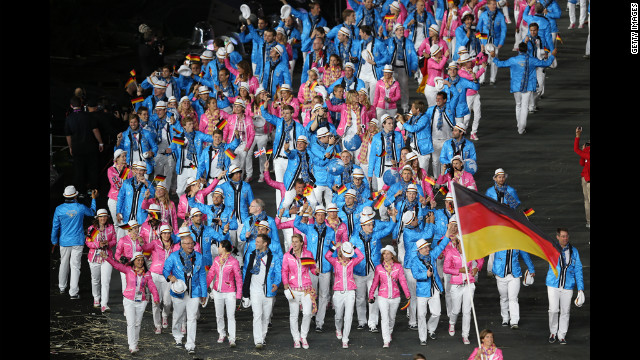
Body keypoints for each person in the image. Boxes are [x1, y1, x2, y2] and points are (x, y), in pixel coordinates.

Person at [490, 42, 556, 134]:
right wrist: (552, 55)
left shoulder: (513, 60)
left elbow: (500, 64)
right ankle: (521, 128)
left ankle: (519, 125)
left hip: (516, 86)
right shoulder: (532, 60)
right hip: (528, 86)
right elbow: (546, 63)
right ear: (527, 50)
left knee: (518, 105)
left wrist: (493, 57)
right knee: (524, 106)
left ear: (518, 50)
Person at [163, 229, 208, 355]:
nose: (190, 246)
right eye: (187, 244)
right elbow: (165, 269)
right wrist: (170, 277)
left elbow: (203, 276)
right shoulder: (173, 256)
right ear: (181, 245)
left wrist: (204, 293)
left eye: (191, 243)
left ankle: (191, 344)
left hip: (194, 292)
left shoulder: (199, 257)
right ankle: (178, 337)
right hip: (179, 292)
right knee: (177, 316)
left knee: (192, 318)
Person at [105, 252, 160, 354]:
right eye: (138, 260)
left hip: (141, 301)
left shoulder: (147, 274)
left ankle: (135, 342)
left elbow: (152, 286)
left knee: (137, 323)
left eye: (142, 260)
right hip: (129, 300)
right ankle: (132, 346)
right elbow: (116, 265)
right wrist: (107, 258)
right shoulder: (128, 269)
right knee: (131, 323)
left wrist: (156, 297)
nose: (140, 262)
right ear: (134, 261)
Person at [294, 204, 336, 333]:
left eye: (323, 215)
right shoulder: (309, 228)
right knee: (312, 293)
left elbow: (333, 249)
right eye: (318, 215)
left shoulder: (330, 231)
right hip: (311, 266)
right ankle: (311, 314)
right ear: (315, 216)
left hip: (325, 267)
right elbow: (297, 224)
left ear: (326, 216)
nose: (321, 217)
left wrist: (332, 263)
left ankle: (319, 322)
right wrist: (303, 211)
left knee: (324, 295)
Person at [443, 216, 484, 344]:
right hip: (456, 284)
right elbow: (446, 268)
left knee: (467, 311)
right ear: (458, 242)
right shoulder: (451, 252)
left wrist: (478, 268)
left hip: (469, 284)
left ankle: (465, 334)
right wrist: (458, 271)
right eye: (462, 243)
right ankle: (452, 323)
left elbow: (481, 260)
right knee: (456, 310)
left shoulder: (470, 252)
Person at [51, 186, 98, 299]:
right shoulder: (80, 207)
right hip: (77, 240)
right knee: (75, 266)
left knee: (63, 264)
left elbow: (55, 227)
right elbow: (92, 212)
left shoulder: (59, 209)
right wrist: (93, 199)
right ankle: (73, 292)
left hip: (64, 241)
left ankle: (62, 287)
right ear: (75, 195)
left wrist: (54, 241)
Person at [411, 225, 453, 345]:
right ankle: (422, 337)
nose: (427, 249)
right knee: (421, 315)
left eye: (427, 247)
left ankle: (431, 329)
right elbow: (415, 274)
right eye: (425, 248)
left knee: (436, 313)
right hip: (422, 291)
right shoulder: (414, 261)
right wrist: (426, 274)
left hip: (434, 288)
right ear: (419, 250)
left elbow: (441, 246)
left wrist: (448, 232)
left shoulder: (432, 256)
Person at [242, 234, 282, 349]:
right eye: (256, 241)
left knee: (266, 316)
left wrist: (277, 283)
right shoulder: (251, 255)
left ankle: (263, 337)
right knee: (257, 315)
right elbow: (246, 273)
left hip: (268, 291)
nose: (255, 243)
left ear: (265, 244)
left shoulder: (274, 257)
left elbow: (278, 272)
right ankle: (258, 340)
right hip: (255, 290)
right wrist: (245, 293)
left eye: (258, 242)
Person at [546, 228, 585, 345]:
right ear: (557, 237)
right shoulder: (552, 248)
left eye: (567, 236)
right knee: (553, 310)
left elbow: (578, 270)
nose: (565, 238)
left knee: (565, 311)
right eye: (563, 236)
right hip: (553, 284)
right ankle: (553, 332)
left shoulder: (574, 251)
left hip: (568, 286)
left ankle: (561, 334)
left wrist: (580, 288)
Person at [368, 245, 411, 348]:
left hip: (395, 296)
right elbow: (375, 283)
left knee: (392, 318)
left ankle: (389, 331)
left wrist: (407, 294)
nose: (385, 256)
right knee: (384, 318)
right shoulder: (379, 268)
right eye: (384, 254)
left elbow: (403, 281)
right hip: (382, 296)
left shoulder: (398, 267)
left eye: (387, 253)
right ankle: (386, 339)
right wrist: (371, 295)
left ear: (392, 255)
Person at [324, 241, 364, 349]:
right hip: (338, 292)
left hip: (350, 292)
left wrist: (353, 246)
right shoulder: (335, 261)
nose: (347, 257)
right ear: (341, 253)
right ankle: (338, 329)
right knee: (338, 316)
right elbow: (327, 256)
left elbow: (361, 256)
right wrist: (334, 247)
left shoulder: (352, 262)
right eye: (346, 254)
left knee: (349, 316)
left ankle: (345, 339)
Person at [282, 234, 318, 349]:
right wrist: (285, 283)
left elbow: (312, 268)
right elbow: (284, 270)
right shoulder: (287, 255)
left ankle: (303, 336)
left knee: (307, 313)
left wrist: (315, 271)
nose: (294, 244)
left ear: (302, 243)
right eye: (293, 241)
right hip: (293, 289)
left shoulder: (308, 254)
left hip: (306, 289)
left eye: (296, 241)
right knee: (294, 315)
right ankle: (296, 338)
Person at [65, 96, 105, 196]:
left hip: (77, 148)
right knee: (93, 169)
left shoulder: (69, 118)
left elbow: (68, 136)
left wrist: (70, 147)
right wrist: (100, 142)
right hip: (90, 147)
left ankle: (80, 192)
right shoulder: (88, 116)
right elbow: (95, 130)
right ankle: (93, 190)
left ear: (71, 106)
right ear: (82, 104)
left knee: (79, 170)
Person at [141, 225, 176, 333]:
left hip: (168, 276)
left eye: (168, 233)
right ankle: (158, 325)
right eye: (164, 233)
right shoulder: (155, 243)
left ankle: (165, 315)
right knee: (156, 302)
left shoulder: (174, 245)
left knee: (167, 302)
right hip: (155, 274)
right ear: (160, 234)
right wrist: (141, 242)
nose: (166, 235)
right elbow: (145, 248)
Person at [207, 239, 243, 348]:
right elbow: (210, 275)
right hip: (217, 291)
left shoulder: (234, 261)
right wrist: (204, 290)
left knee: (231, 315)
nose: (218, 248)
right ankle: (221, 333)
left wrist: (238, 295)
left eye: (219, 246)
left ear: (223, 248)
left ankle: (232, 338)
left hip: (230, 292)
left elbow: (238, 278)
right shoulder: (217, 260)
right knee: (219, 315)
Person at [491, 244, 535, 329]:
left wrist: (531, 268)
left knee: (513, 298)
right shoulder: (497, 240)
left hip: (514, 275)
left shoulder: (517, 241)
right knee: (504, 297)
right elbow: (490, 252)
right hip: (500, 274)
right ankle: (505, 318)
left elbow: (525, 254)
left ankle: (514, 321)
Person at [85, 209, 117, 312]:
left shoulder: (111, 228)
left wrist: (108, 243)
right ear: (97, 218)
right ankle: (96, 298)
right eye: (101, 217)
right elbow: (88, 243)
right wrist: (98, 244)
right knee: (95, 280)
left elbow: (114, 241)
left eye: (105, 216)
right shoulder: (92, 229)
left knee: (105, 281)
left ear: (107, 217)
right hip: (94, 257)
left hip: (107, 257)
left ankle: (104, 304)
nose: (103, 218)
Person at [476, 0, 507, 85]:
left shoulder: (500, 16)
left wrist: (501, 41)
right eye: (492, 4)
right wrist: (481, 42)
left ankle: (492, 79)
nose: (494, 6)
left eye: (495, 4)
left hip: (495, 39)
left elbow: (503, 29)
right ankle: (482, 79)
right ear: (488, 5)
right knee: (484, 59)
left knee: (494, 59)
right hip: (485, 39)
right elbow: (478, 29)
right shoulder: (483, 15)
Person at [117, 161, 155, 225]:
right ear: (135, 170)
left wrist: (146, 183)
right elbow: (120, 198)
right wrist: (118, 212)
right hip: (127, 217)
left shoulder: (149, 184)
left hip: (141, 218)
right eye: (137, 170)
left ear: (145, 171)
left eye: (141, 170)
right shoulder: (127, 182)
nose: (139, 172)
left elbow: (152, 198)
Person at [108, 149, 133, 239]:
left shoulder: (129, 168)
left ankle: (126, 243)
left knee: (126, 222)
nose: (125, 158)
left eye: (125, 156)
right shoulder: (111, 170)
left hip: (126, 199)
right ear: (117, 158)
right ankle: (119, 243)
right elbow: (116, 185)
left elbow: (131, 183)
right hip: (114, 199)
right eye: (122, 156)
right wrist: (124, 172)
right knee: (117, 223)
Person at [574, 126, 590, 229]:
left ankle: (589, 221)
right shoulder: (586, 154)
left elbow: (576, 149)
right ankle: (589, 221)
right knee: (587, 201)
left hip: (586, 179)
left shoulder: (586, 153)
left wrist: (577, 136)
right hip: (586, 179)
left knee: (587, 201)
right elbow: (582, 163)